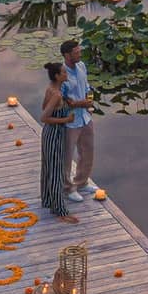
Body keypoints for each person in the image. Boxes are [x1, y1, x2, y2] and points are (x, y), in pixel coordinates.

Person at [39, 62, 79, 223]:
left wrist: (62, 104)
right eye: (63, 72)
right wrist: (66, 119)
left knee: (49, 168)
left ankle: (49, 200)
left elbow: (44, 106)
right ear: (57, 76)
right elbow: (44, 118)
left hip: (49, 134)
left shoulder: (51, 89)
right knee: (56, 172)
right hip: (54, 134)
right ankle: (60, 211)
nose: (66, 74)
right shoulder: (56, 94)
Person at [60, 36, 97, 199]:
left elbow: (87, 86)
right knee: (67, 156)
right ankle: (68, 188)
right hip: (70, 120)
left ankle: (82, 182)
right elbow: (62, 99)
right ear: (67, 55)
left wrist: (89, 103)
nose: (79, 54)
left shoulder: (81, 66)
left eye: (79, 51)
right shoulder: (61, 74)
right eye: (76, 52)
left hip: (85, 117)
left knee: (88, 151)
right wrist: (78, 103)